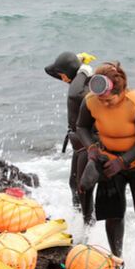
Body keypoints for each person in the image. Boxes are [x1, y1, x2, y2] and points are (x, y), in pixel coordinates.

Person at [75, 61, 135, 269]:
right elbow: (82, 127)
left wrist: (124, 162)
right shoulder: (92, 101)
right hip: (108, 162)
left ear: (121, 91)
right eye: (101, 99)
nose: (104, 103)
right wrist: (92, 149)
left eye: (109, 99)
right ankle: (116, 261)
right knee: (113, 214)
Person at [44, 51, 96, 224]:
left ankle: (89, 226)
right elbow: (48, 70)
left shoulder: (84, 87)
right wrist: (76, 64)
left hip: (86, 146)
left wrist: (82, 71)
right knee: (74, 185)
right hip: (77, 146)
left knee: (83, 189)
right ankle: (78, 220)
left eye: (63, 75)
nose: (61, 79)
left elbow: (73, 95)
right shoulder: (76, 82)